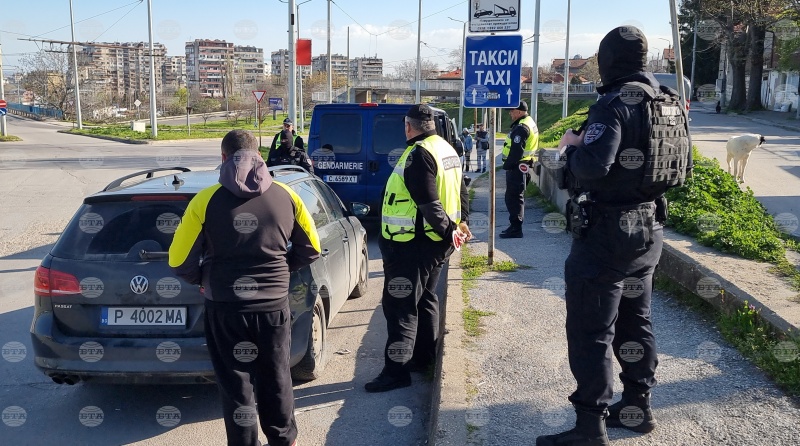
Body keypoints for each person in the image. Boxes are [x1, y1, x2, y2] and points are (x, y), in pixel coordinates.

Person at [536, 26, 690, 446]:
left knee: (591, 329)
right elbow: (682, 167)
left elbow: (592, 167)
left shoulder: (614, 104)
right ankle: (638, 409)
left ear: (607, 61)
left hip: (607, 233)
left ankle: (590, 425)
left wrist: (571, 147)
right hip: (650, 229)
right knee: (636, 320)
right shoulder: (668, 101)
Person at [169, 129, 321, 446]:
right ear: (259, 156)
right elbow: (311, 249)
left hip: (225, 308)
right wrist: (281, 269)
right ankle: (284, 440)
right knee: (277, 376)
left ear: (224, 157)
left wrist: (204, 279)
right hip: (273, 307)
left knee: (236, 384)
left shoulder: (204, 200)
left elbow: (179, 260)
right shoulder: (286, 195)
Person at [365, 104, 472, 393]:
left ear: (408, 126)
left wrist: (450, 231)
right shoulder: (446, 149)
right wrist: (461, 224)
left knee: (400, 307)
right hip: (433, 243)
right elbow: (461, 190)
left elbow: (429, 203)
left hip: (412, 244)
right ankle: (424, 357)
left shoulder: (418, 154)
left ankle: (396, 372)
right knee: (424, 298)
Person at [499, 101, 538, 239]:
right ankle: (514, 226)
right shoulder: (528, 122)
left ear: (519, 112)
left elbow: (516, 151)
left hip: (518, 166)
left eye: (512, 111)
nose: (510, 113)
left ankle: (516, 228)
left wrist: (507, 166)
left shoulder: (522, 127)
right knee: (516, 196)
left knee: (513, 198)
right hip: (523, 165)